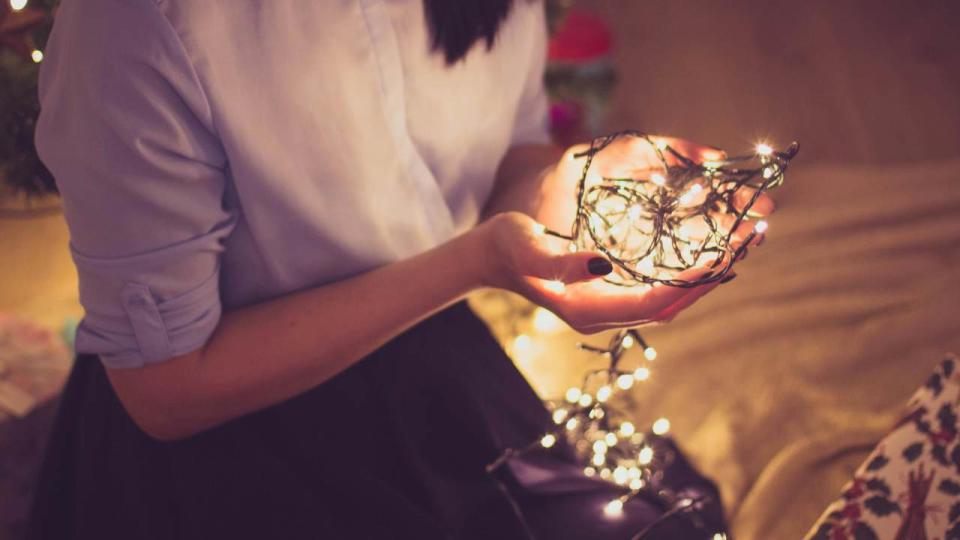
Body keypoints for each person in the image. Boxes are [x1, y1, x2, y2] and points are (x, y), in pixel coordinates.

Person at [28, 0, 770, 538]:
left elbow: (502, 167)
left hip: (432, 365)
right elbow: (168, 394)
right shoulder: (134, 27)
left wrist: (576, 177)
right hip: (229, 445)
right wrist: (477, 263)